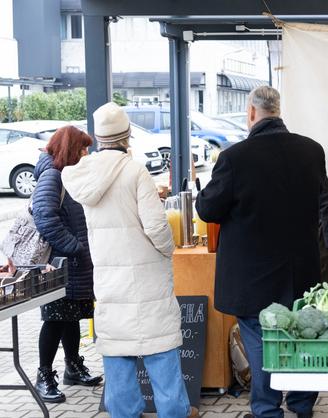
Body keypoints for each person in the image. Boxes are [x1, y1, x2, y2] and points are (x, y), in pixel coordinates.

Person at [196, 86, 328, 418]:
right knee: (301, 338)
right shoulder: (312, 151)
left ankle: (268, 410)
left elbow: (208, 210)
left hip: (253, 280)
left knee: (260, 343)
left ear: (251, 113)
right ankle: (301, 406)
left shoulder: (234, 157)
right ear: (278, 110)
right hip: (301, 272)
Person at [61, 103, 196, 418]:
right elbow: (156, 226)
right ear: (127, 135)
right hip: (147, 282)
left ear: (97, 137)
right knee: (162, 361)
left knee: (118, 365)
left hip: (109, 282)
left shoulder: (84, 175)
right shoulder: (134, 170)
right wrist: (168, 249)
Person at [31, 126, 101, 403]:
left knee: (69, 316)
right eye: (83, 148)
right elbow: (45, 217)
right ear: (70, 151)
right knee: (55, 320)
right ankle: (44, 375)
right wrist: (75, 246)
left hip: (74, 264)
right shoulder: (52, 176)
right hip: (58, 265)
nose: (87, 153)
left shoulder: (69, 175)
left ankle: (73, 366)